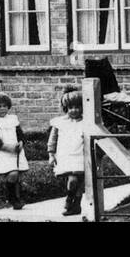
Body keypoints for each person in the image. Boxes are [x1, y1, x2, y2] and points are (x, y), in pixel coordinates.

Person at [0, 87, 28, 210]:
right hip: (3, 152)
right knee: (12, 173)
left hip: (16, 151)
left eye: (5, 106)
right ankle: (11, 198)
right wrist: (8, 148)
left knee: (17, 174)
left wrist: (21, 143)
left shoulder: (12, 119)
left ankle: (17, 198)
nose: (2, 109)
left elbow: (20, 134)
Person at [48, 87, 86, 216]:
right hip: (66, 156)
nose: (74, 110)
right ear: (65, 108)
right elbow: (52, 140)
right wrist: (51, 155)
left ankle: (75, 205)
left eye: (77, 107)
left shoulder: (86, 122)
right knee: (72, 181)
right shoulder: (60, 123)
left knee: (79, 182)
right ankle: (70, 199)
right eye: (70, 108)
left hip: (81, 155)